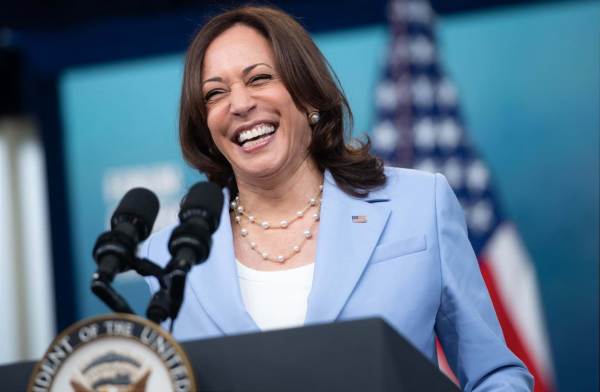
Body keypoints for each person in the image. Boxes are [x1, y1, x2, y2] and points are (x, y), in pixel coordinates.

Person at [142, 5, 533, 391]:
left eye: (259, 78)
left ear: (308, 96)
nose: (240, 104)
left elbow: (497, 376)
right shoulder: (171, 254)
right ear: (205, 125)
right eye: (215, 94)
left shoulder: (419, 205)